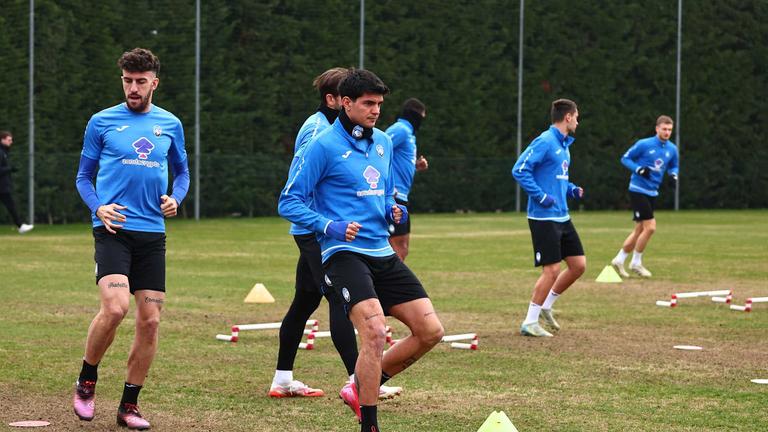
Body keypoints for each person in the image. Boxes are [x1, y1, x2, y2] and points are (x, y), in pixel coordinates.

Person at [279, 68, 444, 432]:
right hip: (342, 252)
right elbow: (289, 202)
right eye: (368, 103)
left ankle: (359, 385)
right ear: (346, 103)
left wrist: (390, 207)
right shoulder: (322, 144)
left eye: (379, 104)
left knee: (431, 332)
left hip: (381, 251)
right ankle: (368, 424)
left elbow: (383, 190)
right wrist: (327, 225)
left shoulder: (384, 141)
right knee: (374, 331)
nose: (375, 110)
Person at [72, 47, 189, 430]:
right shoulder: (102, 122)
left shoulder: (170, 124)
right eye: (127, 81)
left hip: (152, 234)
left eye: (140, 81)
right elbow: (83, 178)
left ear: (155, 82)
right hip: (113, 231)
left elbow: (183, 173)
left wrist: (177, 197)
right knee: (116, 307)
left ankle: (129, 405)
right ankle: (87, 382)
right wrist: (98, 207)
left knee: (151, 321)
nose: (133, 88)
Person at [270, 67, 402, 400]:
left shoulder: (361, 135)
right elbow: (298, 187)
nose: (371, 109)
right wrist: (328, 223)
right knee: (340, 299)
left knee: (304, 301)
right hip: (318, 231)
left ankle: (282, 379)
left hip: (324, 229)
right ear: (335, 100)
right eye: (361, 100)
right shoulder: (318, 132)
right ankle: (360, 380)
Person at [512, 98, 586, 338]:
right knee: (552, 270)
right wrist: (541, 196)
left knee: (578, 265)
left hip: (563, 216)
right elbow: (520, 169)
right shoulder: (545, 141)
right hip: (544, 218)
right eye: (576, 116)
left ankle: (546, 305)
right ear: (567, 117)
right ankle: (529, 321)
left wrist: (571, 188)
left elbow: (557, 178)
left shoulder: (565, 145)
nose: (577, 120)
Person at [611, 115, 679, 278]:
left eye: (670, 129)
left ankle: (619, 259)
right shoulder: (644, 144)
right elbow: (625, 158)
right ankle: (636, 262)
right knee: (651, 227)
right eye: (664, 129)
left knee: (639, 229)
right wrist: (638, 169)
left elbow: (673, 165)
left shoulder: (672, 149)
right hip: (638, 189)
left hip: (652, 192)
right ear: (657, 129)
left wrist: (674, 175)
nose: (667, 132)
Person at [385, 98, 428, 261]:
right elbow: (377, 149)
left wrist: (416, 166)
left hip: (402, 198)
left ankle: (388, 285)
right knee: (396, 249)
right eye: (421, 118)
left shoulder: (409, 134)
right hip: (393, 198)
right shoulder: (401, 129)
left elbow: (398, 161)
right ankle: (389, 286)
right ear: (414, 116)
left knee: (402, 248)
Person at [0, 131, 34, 234]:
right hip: (2, 187)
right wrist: (10, 169)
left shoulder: (4, 152)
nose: (11, 142)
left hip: (3, 186)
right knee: (12, 206)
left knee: (12, 206)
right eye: (9, 140)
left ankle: (20, 226)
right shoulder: (1, 152)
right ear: (2, 139)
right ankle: (20, 226)